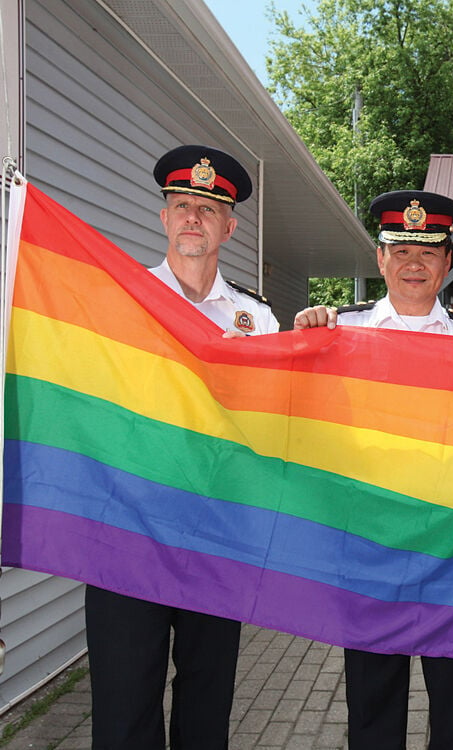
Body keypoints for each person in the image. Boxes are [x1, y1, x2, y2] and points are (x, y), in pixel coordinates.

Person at [86, 145, 280, 750]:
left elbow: (275, 420)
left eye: (207, 207)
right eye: (181, 205)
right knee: (123, 700)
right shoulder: (118, 300)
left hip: (215, 535)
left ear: (230, 225)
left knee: (207, 698)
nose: (192, 217)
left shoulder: (258, 319)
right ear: (164, 219)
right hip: (126, 531)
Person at [294, 190, 453, 750]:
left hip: (451, 541)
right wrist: (305, 338)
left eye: (428, 253)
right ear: (379, 259)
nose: (413, 263)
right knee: (373, 698)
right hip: (369, 540)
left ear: (447, 262)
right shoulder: (337, 335)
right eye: (400, 249)